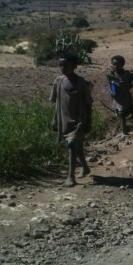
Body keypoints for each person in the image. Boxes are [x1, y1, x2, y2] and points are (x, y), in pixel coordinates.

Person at [50, 53, 93, 187]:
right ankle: (85, 167)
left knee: (72, 144)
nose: (63, 68)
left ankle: (71, 176)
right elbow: (56, 102)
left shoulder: (81, 83)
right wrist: (55, 119)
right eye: (60, 65)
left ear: (74, 66)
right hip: (64, 119)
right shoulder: (58, 81)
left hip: (79, 120)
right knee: (77, 146)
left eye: (66, 65)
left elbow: (88, 103)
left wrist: (88, 122)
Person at [107, 55, 133, 137]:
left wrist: (131, 85)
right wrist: (111, 91)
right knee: (119, 113)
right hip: (116, 97)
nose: (115, 66)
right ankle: (124, 129)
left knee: (122, 113)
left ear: (122, 65)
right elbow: (110, 85)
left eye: (118, 64)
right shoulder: (111, 75)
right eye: (114, 64)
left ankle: (124, 132)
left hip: (125, 96)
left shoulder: (127, 74)